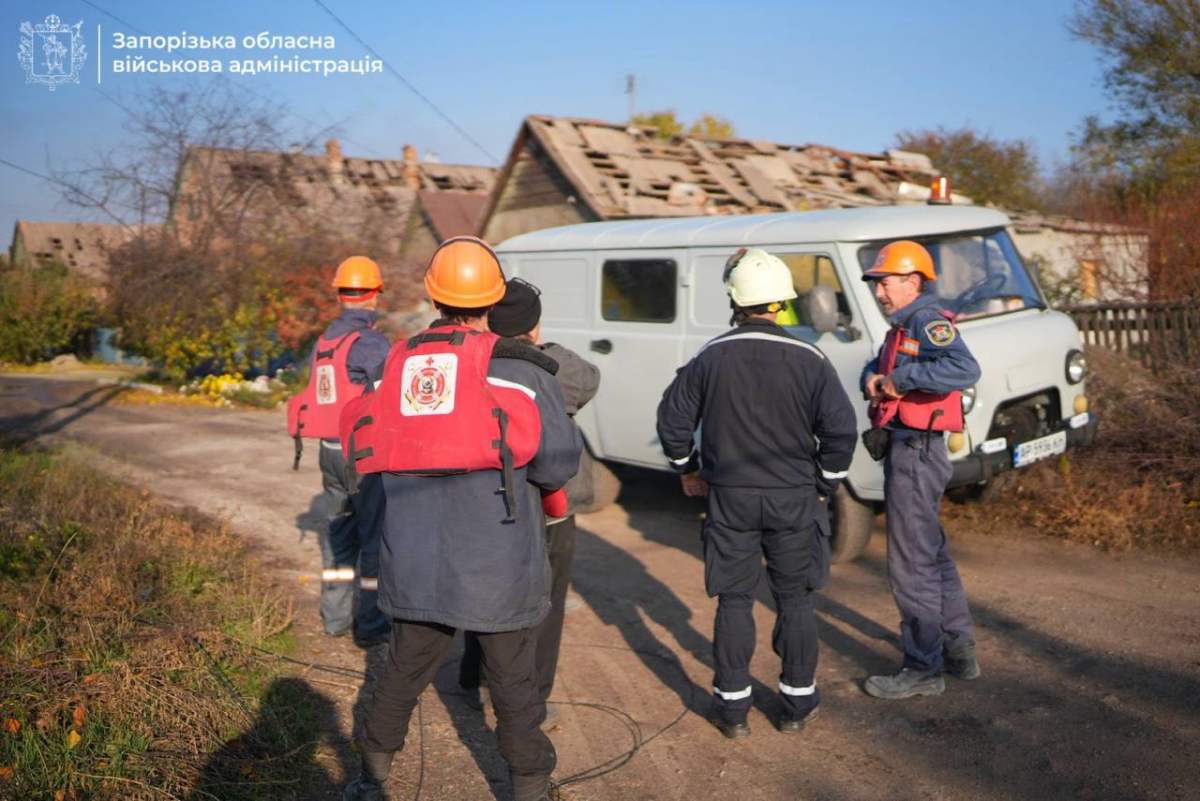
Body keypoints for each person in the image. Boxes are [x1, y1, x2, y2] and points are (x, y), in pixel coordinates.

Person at [342, 237, 582, 801]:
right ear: (494, 298)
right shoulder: (522, 371)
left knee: (401, 670)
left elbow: (365, 444)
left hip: (414, 551)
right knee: (513, 682)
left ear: (433, 295)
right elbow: (557, 461)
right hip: (496, 558)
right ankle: (528, 787)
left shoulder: (395, 364)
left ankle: (369, 780)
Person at [656, 248, 857, 738]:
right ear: (782, 304)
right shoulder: (811, 358)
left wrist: (688, 468)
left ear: (735, 300)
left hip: (730, 499)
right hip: (794, 498)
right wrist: (824, 483)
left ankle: (732, 711)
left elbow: (672, 421)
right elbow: (842, 431)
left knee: (735, 601)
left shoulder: (710, 356)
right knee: (794, 600)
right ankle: (797, 703)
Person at [458, 278, 601, 727]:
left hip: (485, 498)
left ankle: (475, 679)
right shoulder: (555, 365)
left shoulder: (467, 361)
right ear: (534, 329)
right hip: (549, 503)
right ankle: (532, 698)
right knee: (546, 601)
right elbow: (589, 379)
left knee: (487, 591)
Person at [859, 240, 982, 700]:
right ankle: (958, 652)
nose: (879, 292)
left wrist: (901, 381)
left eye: (885, 282)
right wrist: (872, 378)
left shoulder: (926, 321)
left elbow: (964, 368)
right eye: (877, 283)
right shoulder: (903, 325)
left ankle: (923, 668)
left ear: (912, 282)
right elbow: (881, 364)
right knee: (931, 553)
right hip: (915, 448)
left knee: (910, 563)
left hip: (915, 449)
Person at [286, 256, 390, 647]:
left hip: (329, 450)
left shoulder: (327, 339)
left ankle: (333, 619)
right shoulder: (370, 342)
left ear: (341, 293)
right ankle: (372, 627)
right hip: (362, 456)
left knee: (338, 536)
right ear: (374, 295)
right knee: (375, 540)